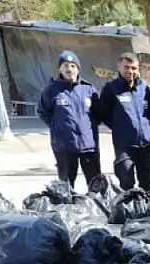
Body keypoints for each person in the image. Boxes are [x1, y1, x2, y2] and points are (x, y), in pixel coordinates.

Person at [36, 50, 100, 189]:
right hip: (64, 146)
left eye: (72, 65)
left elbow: (98, 114)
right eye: (65, 65)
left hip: (88, 146)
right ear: (60, 68)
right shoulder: (51, 90)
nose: (69, 69)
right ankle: (69, 209)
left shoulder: (88, 89)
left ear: (78, 68)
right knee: (66, 186)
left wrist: (88, 130)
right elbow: (43, 112)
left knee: (95, 184)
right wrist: (57, 127)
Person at [99, 52, 150, 190]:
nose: (130, 71)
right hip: (124, 146)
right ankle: (129, 210)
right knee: (126, 181)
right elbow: (104, 113)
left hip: (146, 145)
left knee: (146, 184)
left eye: (134, 68)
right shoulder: (111, 89)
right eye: (127, 67)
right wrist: (120, 127)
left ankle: (145, 210)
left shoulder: (143, 88)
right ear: (119, 67)